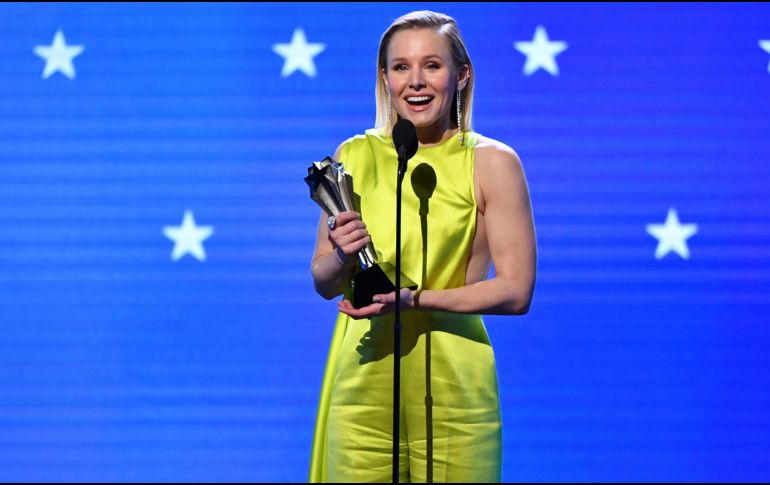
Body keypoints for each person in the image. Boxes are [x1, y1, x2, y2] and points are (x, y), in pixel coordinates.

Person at [308, 10, 536, 483]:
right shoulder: (354, 155)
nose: (416, 82)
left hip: (455, 391)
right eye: (401, 67)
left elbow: (516, 291)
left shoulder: (493, 162)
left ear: (462, 75)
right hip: (362, 386)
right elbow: (324, 282)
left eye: (432, 65)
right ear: (385, 78)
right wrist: (342, 255)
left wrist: (415, 301)